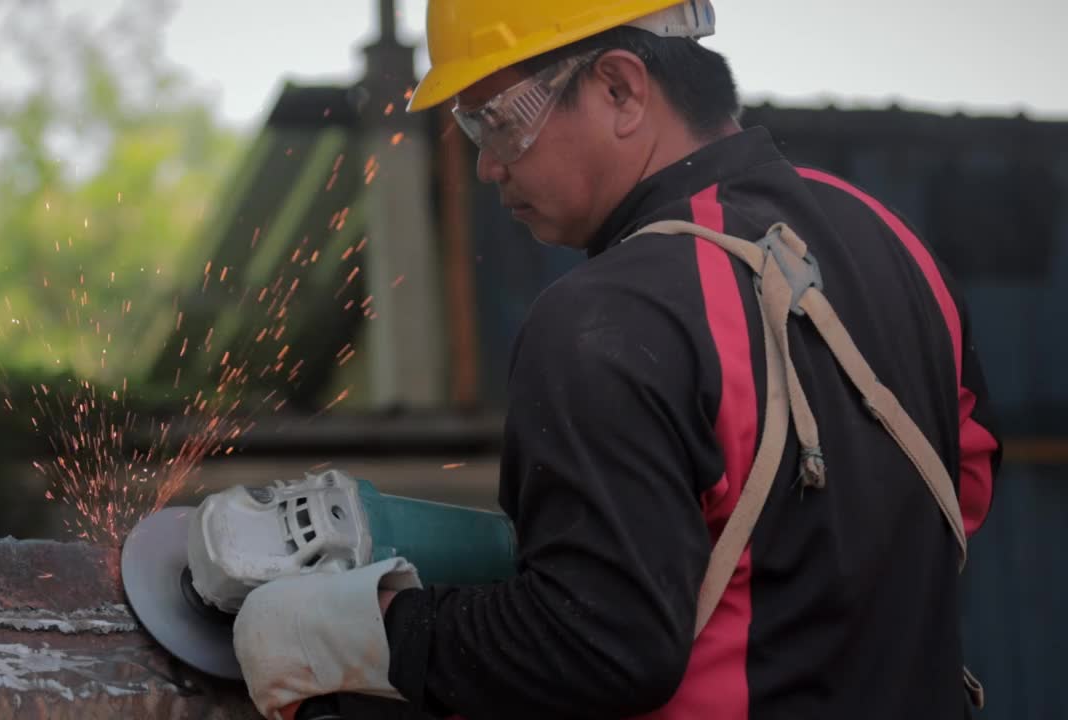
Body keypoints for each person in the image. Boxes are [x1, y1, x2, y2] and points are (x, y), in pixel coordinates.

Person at [228, 2, 1003, 718]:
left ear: (621, 90)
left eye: (497, 123)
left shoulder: (606, 317)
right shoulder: (895, 245)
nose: (487, 167)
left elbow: (601, 644)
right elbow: (961, 489)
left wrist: (374, 629)